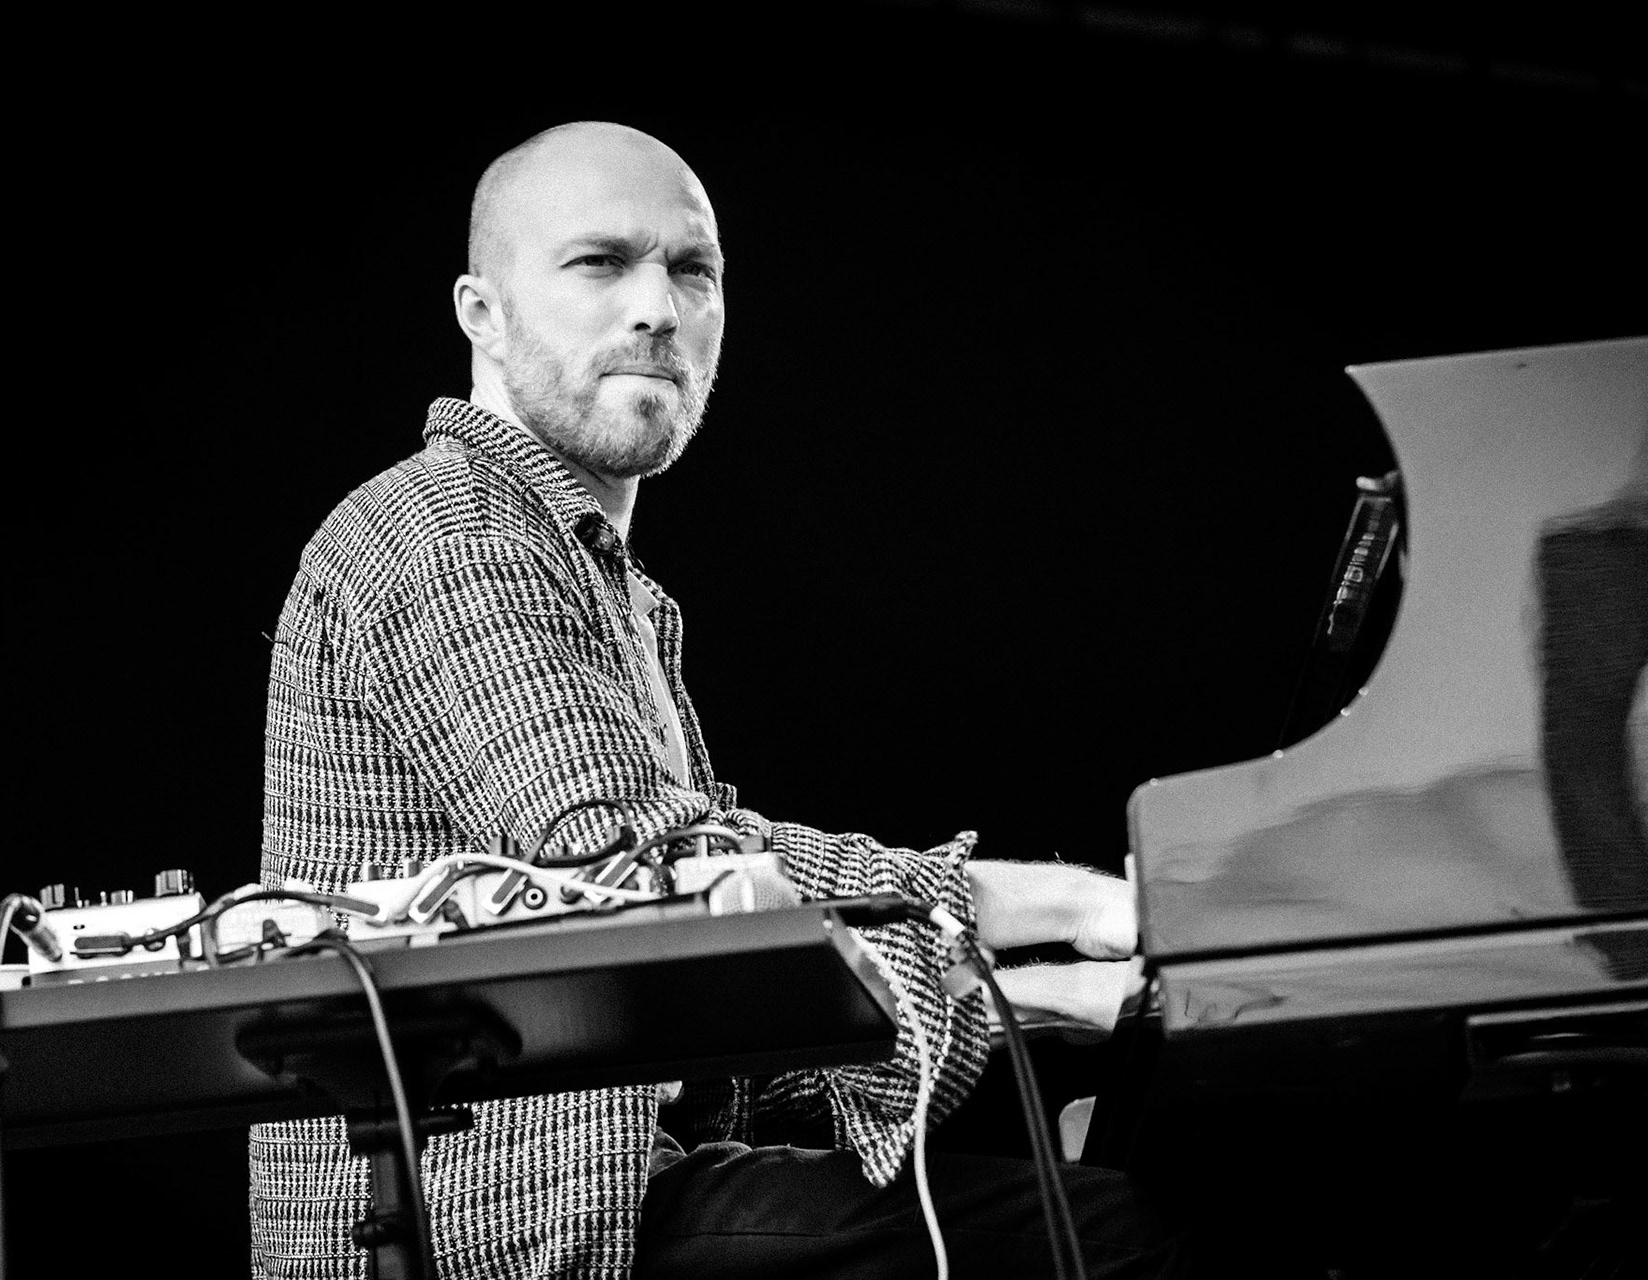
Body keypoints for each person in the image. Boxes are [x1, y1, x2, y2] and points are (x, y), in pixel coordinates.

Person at [249, 121, 1180, 1280]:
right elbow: (644, 866)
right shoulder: (445, 526)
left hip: (621, 1186)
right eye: (601, 262)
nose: (657, 307)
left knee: (1062, 1172)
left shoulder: (605, 584)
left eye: (693, 270)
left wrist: (1020, 1011)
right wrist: (1060, 917)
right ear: (480, 313)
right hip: (506, 1221)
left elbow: (726, 1000)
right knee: (1112, 1232)